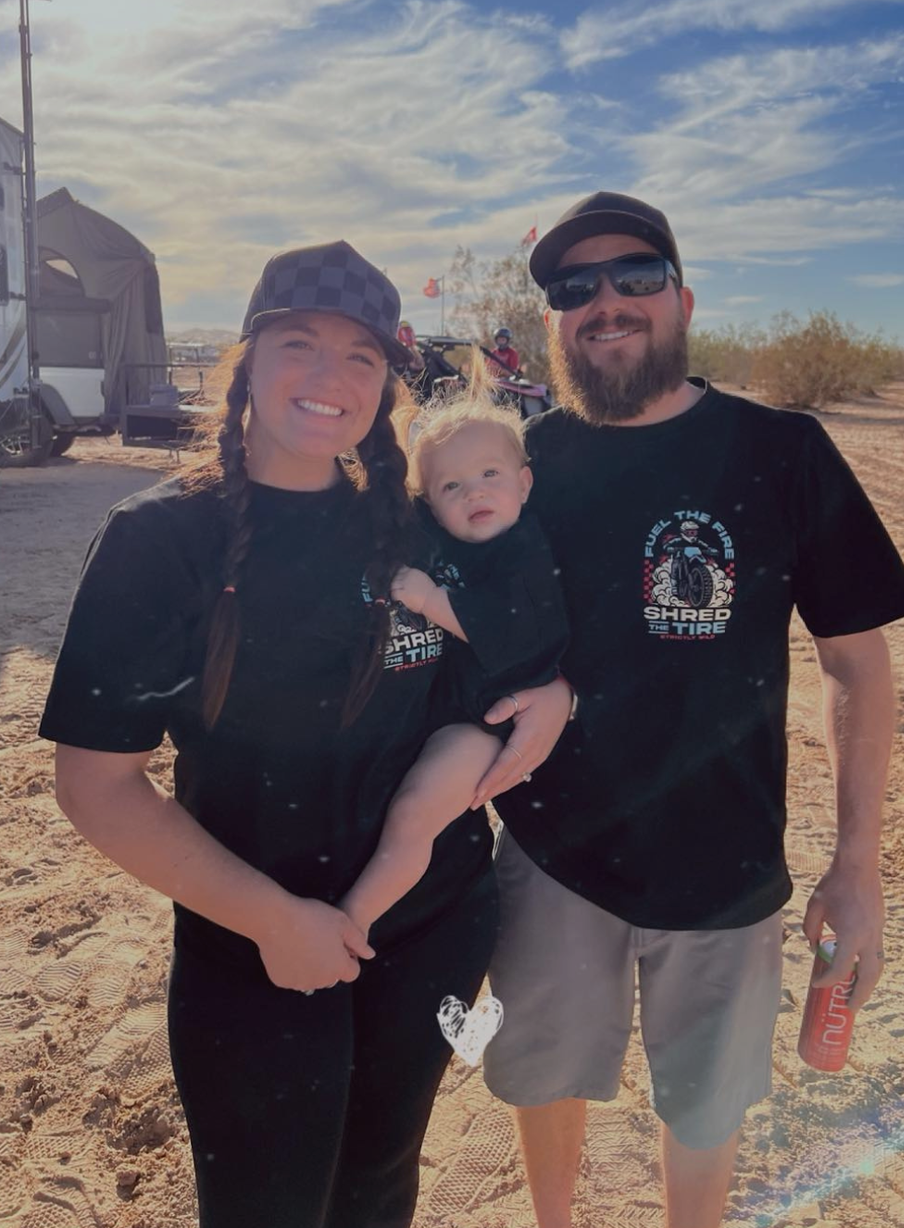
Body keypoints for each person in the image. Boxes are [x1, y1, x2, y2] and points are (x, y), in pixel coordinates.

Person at [38, 240, 570, 1228]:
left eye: (361, 357)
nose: (330, 378)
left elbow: (513, 637)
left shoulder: (419, 526)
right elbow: (97, 784)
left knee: (378, 1182)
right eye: (300, 343)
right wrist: (273, 919)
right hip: (250, 946)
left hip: (428, 926)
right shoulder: (159, 539)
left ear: (387, 385)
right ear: (247, 362)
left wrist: (555, 690)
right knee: (266, 1202)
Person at [480, 192, 904, 1228]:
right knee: (543, 1073)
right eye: (572, 287)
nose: (606, 302)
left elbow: (856, 665)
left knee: (707, 1100)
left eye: (635, 276)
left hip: (726, 860)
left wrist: (855, 866)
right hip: (553, 852)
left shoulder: (783, 449)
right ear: (551, 319)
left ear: (682, 298)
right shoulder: (525, 467)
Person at [340, 390, 568, 937]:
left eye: (491, 473)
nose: (475, 493)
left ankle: (352, 922)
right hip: (441, 704)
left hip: (486, 720)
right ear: (432, 507)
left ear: (524, 483)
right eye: (452, 487)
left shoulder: (527, 551)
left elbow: (510, 634)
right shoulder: (444, 538)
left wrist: (429, 601)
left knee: (415, 813)